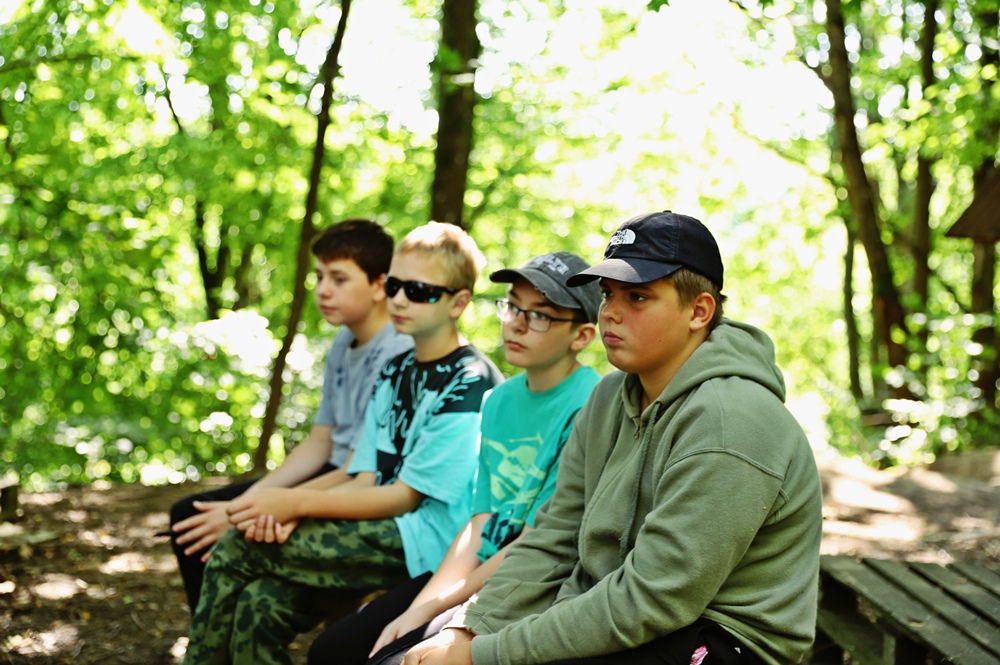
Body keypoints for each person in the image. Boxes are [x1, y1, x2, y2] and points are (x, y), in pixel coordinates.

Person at [402, 211, 823, 665]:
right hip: (617, 608)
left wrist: (483, 655)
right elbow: (554, 537)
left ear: (699, 311)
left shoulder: (730, 421)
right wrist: (469, 628)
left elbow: (655, 598)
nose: (610, 312)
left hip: (721, 639)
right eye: (607, 294)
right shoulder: (607, 398)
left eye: (637, 296)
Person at [181, 221, 504, 665]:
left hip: (429, 544)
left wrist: (295, 504)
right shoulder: (395, 370)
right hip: (380, 526)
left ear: (459, 302)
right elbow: (364, 477)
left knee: (237, 544)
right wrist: (287, 509)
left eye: (418, 291)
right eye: (394, 286)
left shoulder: (469, 380)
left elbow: (404, 496)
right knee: (260, 603)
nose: (399, 299)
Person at [307, 251, 604, 665]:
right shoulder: (498, 400)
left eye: (541, 315)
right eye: (513, 306)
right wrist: (420, 608)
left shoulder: (590, 405)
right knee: (332, 651)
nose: (516, 323)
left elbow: (536, 542)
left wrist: (433, 609)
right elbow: (480, 523)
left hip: (529, 580)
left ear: (582, 336)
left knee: (396, 659)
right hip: (472, 572)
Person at [168, 219, 413, 612]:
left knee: (233, 529)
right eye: (319, 276)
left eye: (339, 278)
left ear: (379, 285)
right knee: (189, 516)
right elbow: (320, 442)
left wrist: (248, 510)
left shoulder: (398, 352)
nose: (323, 290)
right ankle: (212, 637)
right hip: (334, 471)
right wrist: (249, 499)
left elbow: (358, 471)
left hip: (362, 484)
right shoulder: (344, 341)